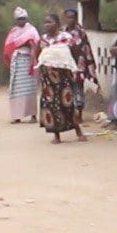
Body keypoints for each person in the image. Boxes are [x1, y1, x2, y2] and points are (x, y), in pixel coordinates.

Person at [35, 13, 84, 144]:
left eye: (49, 22)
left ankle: (78, 132)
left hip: (64, 77)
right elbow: (38, 55)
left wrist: (74, 69)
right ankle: (56, 136)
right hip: (48, 79)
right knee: (51, 105)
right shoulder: (43, 40)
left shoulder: (66, 37)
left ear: (57, 23)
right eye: (45, 22)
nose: (47, 25)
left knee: (68, 104)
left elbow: (75, 52)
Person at [62, 8, 100, 136]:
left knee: (78, 88)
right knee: (67, 90)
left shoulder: (81, 32)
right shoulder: (62, 32)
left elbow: (87, 48)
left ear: (76, 18)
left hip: (79, 65)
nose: (70, 19)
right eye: (68, 17)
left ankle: (79, 112)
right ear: (65, 18)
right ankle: (69, 113)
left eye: (73, 17)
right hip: (66, 65)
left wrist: (90, 68)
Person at [3, 7, 40, 124]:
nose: (21, 21)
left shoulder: (32, 29)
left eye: (23, 18)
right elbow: (8, 46)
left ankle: (33, 115)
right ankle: (17, 116)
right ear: (16, 20)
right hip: (17, 62)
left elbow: (36, 43)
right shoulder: (13, 31)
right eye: (19, 19)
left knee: (30, 88)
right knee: (16, 89)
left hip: (28, 61)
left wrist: (29, 43)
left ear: (26, 18)